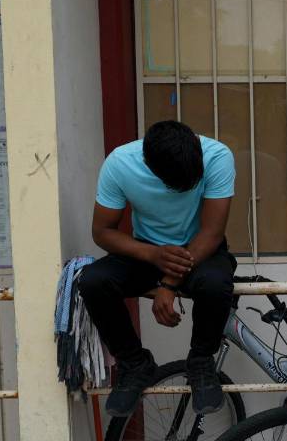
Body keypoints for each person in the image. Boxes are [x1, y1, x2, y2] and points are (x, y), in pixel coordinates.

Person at [79, 120, 236, 417]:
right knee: (93, 281)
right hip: (148, 252)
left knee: (216, 284)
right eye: (179, 185)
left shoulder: (217, 156)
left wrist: (168, 284)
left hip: (201, 252)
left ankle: (201, 362)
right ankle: (134, 364)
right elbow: (102, 232)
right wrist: (153, 254)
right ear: (150, 167)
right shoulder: (121, 164)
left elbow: (212, 233)